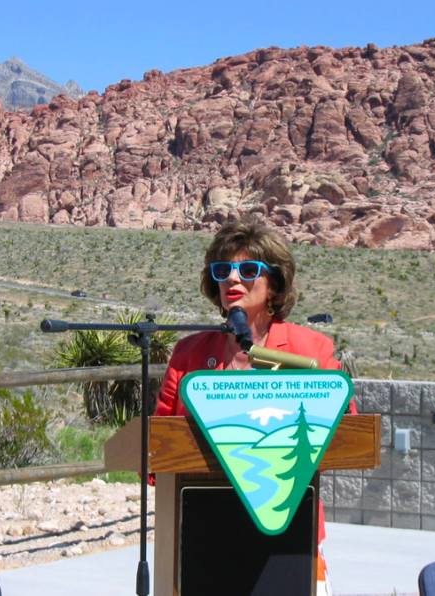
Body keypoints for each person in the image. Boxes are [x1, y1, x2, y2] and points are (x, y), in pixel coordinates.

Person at [155, 218, 357, 596]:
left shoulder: (310, 349)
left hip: (289, 532)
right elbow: (156, 452)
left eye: (248, 270)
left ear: (274, 285)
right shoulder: (188, 354)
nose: (233, 279)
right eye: (222, 270)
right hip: (201, 530)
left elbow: (345, 435)